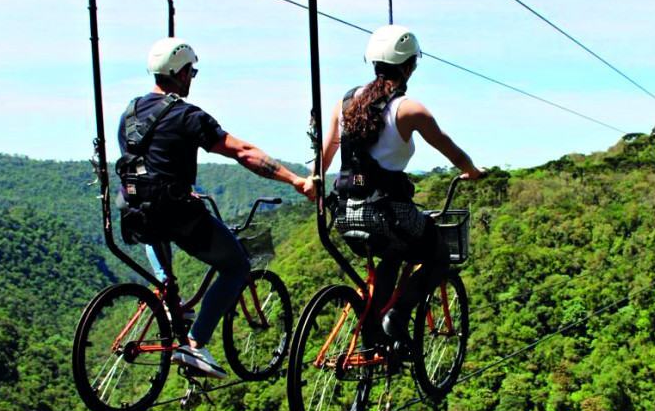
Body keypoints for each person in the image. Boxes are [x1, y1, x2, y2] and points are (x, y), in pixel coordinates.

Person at [117, 37, 315, 378]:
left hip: (135, 210)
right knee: (237, 265)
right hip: (176, 214)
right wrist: (295, 180)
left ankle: (167, 296)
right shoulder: (187, 115)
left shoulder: (130, 112)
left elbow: (151, 161)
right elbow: (243, 152)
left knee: (155, 228)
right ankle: (195, 346)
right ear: (179, 73)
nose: (192, 77)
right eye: (191, 71)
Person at [320, 24, 482, 360]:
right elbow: (448, 149)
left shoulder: (345, 103)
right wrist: (471, 170)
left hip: (344, 213)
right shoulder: (409, 110)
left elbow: (324, 157)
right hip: (387, 214)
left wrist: (313, 183)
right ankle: (397, 316)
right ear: (409, 66)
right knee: (439, 255)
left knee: (392, 254)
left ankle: (372, 332)